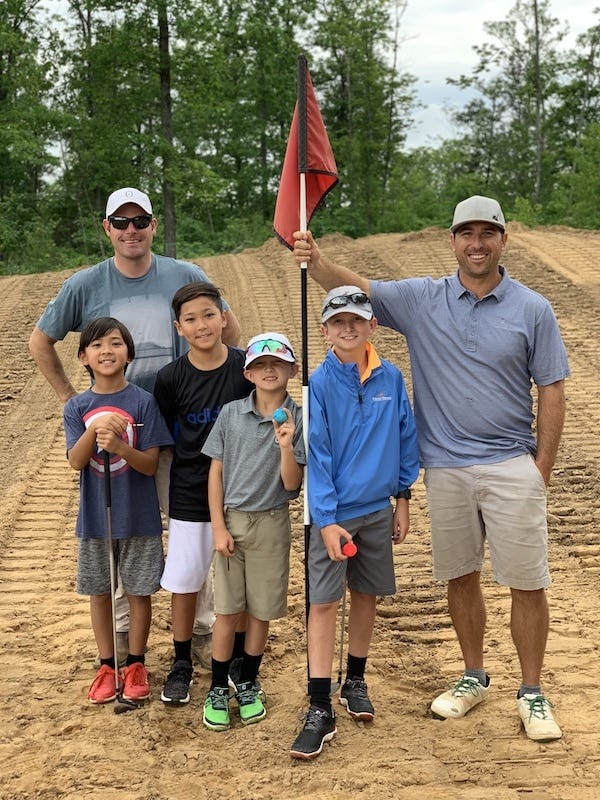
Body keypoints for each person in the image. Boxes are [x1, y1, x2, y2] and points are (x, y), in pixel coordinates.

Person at [291, 195, 570, 743]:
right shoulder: (424, 298)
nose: (477, 243)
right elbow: (360, 291)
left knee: (526, 581)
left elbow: (552, 387)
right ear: (453, 242)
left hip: (512, 462)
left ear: (503, 240)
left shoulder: (532, 309)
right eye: (466, 233)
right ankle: (473, 675)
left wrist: (541, 467)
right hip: (445, 467)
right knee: (460, 576)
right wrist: (318, 262)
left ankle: (532, 691)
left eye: (487, 232)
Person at [29, 186, 241, 666]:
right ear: (107, 228)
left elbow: (227, 330)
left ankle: (204, 629)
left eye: (139, 220)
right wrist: (74, 401)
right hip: (115, 437)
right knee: (120, 530)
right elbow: (40, 341)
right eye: (120, 222)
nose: (131, 230)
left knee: (197, 528)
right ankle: (125, 634)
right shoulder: (84, 284)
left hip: (184, 431)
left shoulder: (185, 275)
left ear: (152, 225)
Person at [289, 289, 419, 759]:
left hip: (377, 508)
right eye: (338, 321)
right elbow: (318, 456)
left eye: (357, 320)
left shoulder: (391, 376)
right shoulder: (318, 384)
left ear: (372, 327)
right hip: (333, 514)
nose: (348, 328)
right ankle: (319, 704)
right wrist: (324, 519)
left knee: (367, 595)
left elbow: (406, 438)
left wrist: (402, 497)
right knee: (323, 603)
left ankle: (355, 680)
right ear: (324, 330)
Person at [153, 282, 254, 706]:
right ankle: (180, 662)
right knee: (186, 580)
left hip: (243, 493)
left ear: (224, 317)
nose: (202, 325)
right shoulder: (170, 378)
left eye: (209, 315)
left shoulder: (244, 367)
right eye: (191, 319)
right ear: (179, 327)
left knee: (241, 580)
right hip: (191, 493)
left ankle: (239, 663)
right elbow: (168, 439)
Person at [63, 317, 173, 703]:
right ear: (83, 358)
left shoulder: (143, 402)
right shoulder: (78, 406)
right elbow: (76, 461)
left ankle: (137, 663)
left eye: (115, 344)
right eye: (96, 346)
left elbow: (148, 464)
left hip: (139, 516)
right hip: (96, 520)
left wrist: (122, 447)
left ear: (129, 354)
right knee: (100, 592)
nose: (106, 352)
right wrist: (95, 431)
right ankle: (108, 664)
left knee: (140, 592)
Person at [200, 332, 305, 731]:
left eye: (277, 364)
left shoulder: (298, 417)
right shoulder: (230, 414)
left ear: (292, 370)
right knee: (227, 610)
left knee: (261, 610)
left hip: (273, 522)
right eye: (260, 364)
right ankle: (216, 687)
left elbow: (292, 485)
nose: (269, 370)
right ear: (248, 373)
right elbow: (216, 473)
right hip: (233, 521)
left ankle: (247, 682)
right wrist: (218, 526)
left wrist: (285, 446)